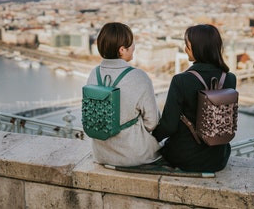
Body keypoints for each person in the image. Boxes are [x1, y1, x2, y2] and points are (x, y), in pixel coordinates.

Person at [152, 24, 237, 172]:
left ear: (199, 48)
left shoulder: (181, 80)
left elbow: (168, 126)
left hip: (185, 157)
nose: (185, 49)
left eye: (188, 45)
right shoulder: (230, 79)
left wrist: (150, 138)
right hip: (219, 157)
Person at [85, 22, 161, 166]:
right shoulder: (139, 77)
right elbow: (152, 123)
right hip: (133, 155)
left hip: (100, 154)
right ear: (122, 50)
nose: (134, 47)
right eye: (132, 44)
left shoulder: (94, 74)